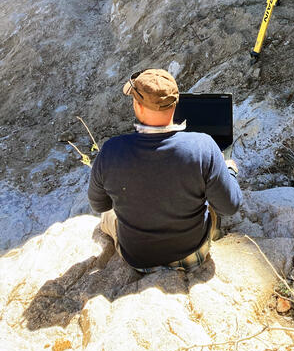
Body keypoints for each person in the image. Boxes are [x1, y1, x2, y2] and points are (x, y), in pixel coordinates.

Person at [88, 68, 242, 272]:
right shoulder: (204, 146)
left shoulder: (111, 151)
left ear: (138, 106)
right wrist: (228, 170)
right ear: (176, 103)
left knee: (107, 217)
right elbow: (229, 207)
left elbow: (100, 204)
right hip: (192, 253)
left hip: (137, 258)